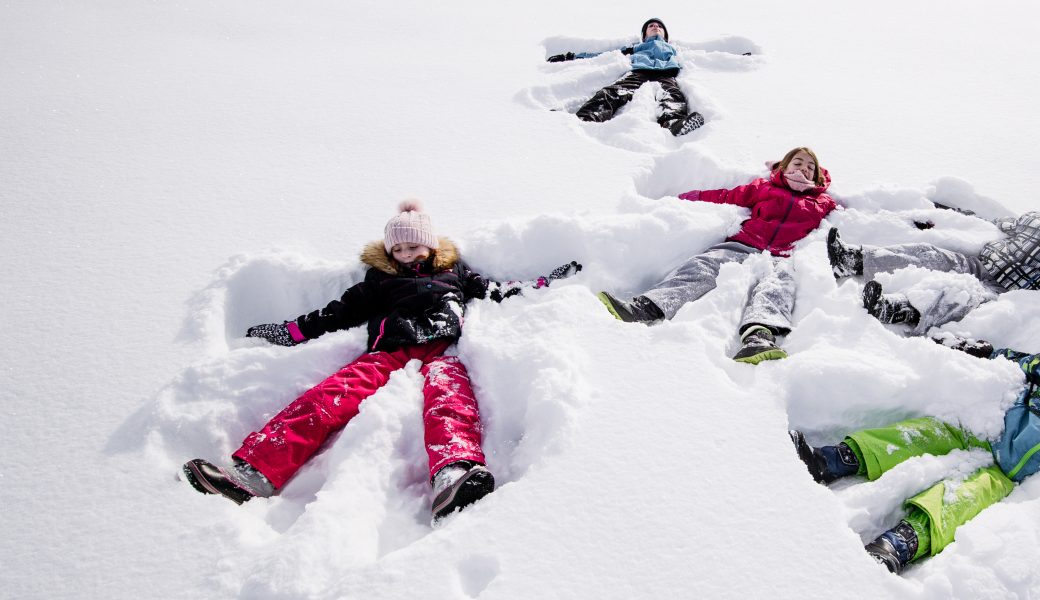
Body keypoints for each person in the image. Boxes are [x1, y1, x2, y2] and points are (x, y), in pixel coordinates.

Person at [182, 200, 582, 522]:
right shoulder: (381, 281)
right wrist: (291, 331)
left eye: (414, 246)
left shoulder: (455, 272)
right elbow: (336, 313)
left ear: (431, 245)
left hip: (442, 352)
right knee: (327, 399)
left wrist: (544, 283)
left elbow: (497, 290)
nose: (407, 255)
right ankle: (255, 472)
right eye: (399, 249)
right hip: (388, 352)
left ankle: (453, 472)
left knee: (451, 404)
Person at [790, 335, 1040, 573]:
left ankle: (900, 543)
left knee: (962, 499)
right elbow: (1017, 360)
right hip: (987, 429)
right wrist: (977, 350)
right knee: (922, 434)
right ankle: (834, 459)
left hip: (1009, 472)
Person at [827, 182, 1040, 356]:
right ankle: (855, 259)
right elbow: (1001, 224)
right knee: (929, 254)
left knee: (955, 293)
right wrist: (959, 214)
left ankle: (896, 309)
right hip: (982, 263)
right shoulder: (1034, 219)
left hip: (1001, 289)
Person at [597, 147, 837, 364]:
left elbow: (844, 222)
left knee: (777, 287)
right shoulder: (764, 187)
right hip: (745, 243)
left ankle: (760, 337)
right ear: (784, 167)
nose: (804, 168)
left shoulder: (821, 201)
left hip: (782, 256)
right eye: (798, 163)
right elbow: (728, 195)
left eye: (810, 167)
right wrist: (694, 197)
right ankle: (646, 307)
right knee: (703, 266)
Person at [547, 17, 706, 136]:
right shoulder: (636, 48)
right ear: (644, 35)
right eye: (651, 26)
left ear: (665, 35)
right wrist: (570, 56)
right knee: (613, 92)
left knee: (672, 95)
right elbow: (600, 55)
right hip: (639, 71)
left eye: (659, 26)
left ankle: (674, 123)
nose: (655, 27)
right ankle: (586, 118)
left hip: (666, 74)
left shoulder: (673, 49)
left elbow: (706, 57)